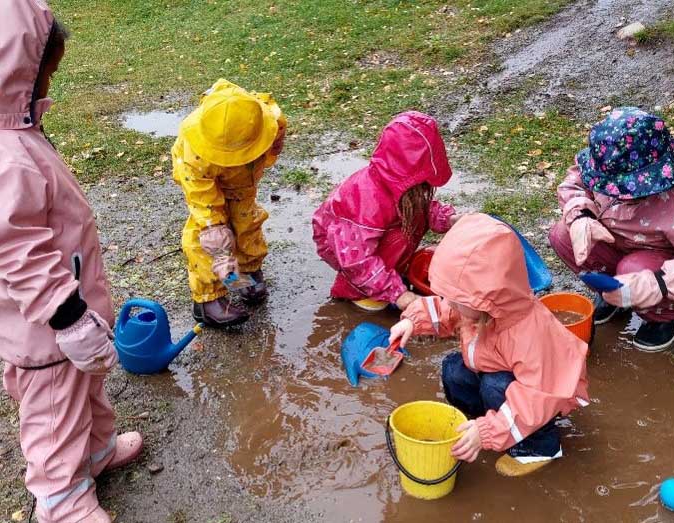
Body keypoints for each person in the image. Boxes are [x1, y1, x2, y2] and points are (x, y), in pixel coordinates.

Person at [0, 2, 142, 522]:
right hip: (46, 327)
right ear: (14, 69)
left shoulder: (16, 134)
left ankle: (96, 451)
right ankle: (61, 500)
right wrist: (67, 317)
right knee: (53, 409)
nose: (48, 86)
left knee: (85, 390)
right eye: (46, 74)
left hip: (72, 311)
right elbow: (16, 250)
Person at [389, 214, 589, 477]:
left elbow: (536, 397)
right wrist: (413, 322)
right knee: (453, 369)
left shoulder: (527, 333)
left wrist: (487, 432)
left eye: (457, 299)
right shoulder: (476, 304)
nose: (451, 303)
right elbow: (447, 310)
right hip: (500, 373)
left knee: (494, 387)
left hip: (544, 393)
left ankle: (539, 447)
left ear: (487, 300)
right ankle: (482, 424)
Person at [549, 107, 674, 351]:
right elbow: (573, 183)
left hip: (654, 260)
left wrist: (658, 282)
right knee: (562, 234)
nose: (612, 192)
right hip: (611, 240)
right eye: (606, 186)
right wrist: (581, 217)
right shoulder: (604, 162)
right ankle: (613, 293)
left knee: (633, 268)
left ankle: (664, 318)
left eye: (622, 189)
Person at [312, 111, 459, 312]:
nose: (424, 189)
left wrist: (450, 220)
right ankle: (363, 291)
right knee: (398, 240)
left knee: (409, 220)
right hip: (348, 249)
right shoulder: (364, 201)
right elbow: (356, 260)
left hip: (363, 243)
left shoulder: (403, 189)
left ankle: (391, 273)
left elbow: (423, 208)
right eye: (420, 183)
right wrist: (401, 295)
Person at [172, 79, 286, 327]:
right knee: (207, 236)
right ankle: (208, 298)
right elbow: (202, 199)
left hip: (243, 184)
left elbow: (278, 126)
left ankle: (244, 275)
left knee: (247, 224)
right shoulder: (193, 150)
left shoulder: (264, 115)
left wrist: (276, 143)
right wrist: (216, 234)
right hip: (208, 184)